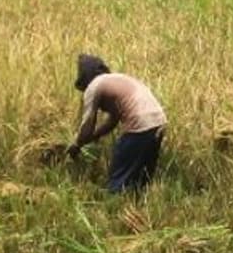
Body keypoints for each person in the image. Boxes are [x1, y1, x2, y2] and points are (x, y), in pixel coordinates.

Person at [67, 54, 167, 193]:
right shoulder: (116, 79)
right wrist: (96, 135)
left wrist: (77, 144)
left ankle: (113, 204)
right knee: (140, 181)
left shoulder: (94, 86)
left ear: (84, 79)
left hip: (140, 126)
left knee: (118, 178)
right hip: (158, 123)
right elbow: (114, 120)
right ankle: (136, 207)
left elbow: (88, 123)